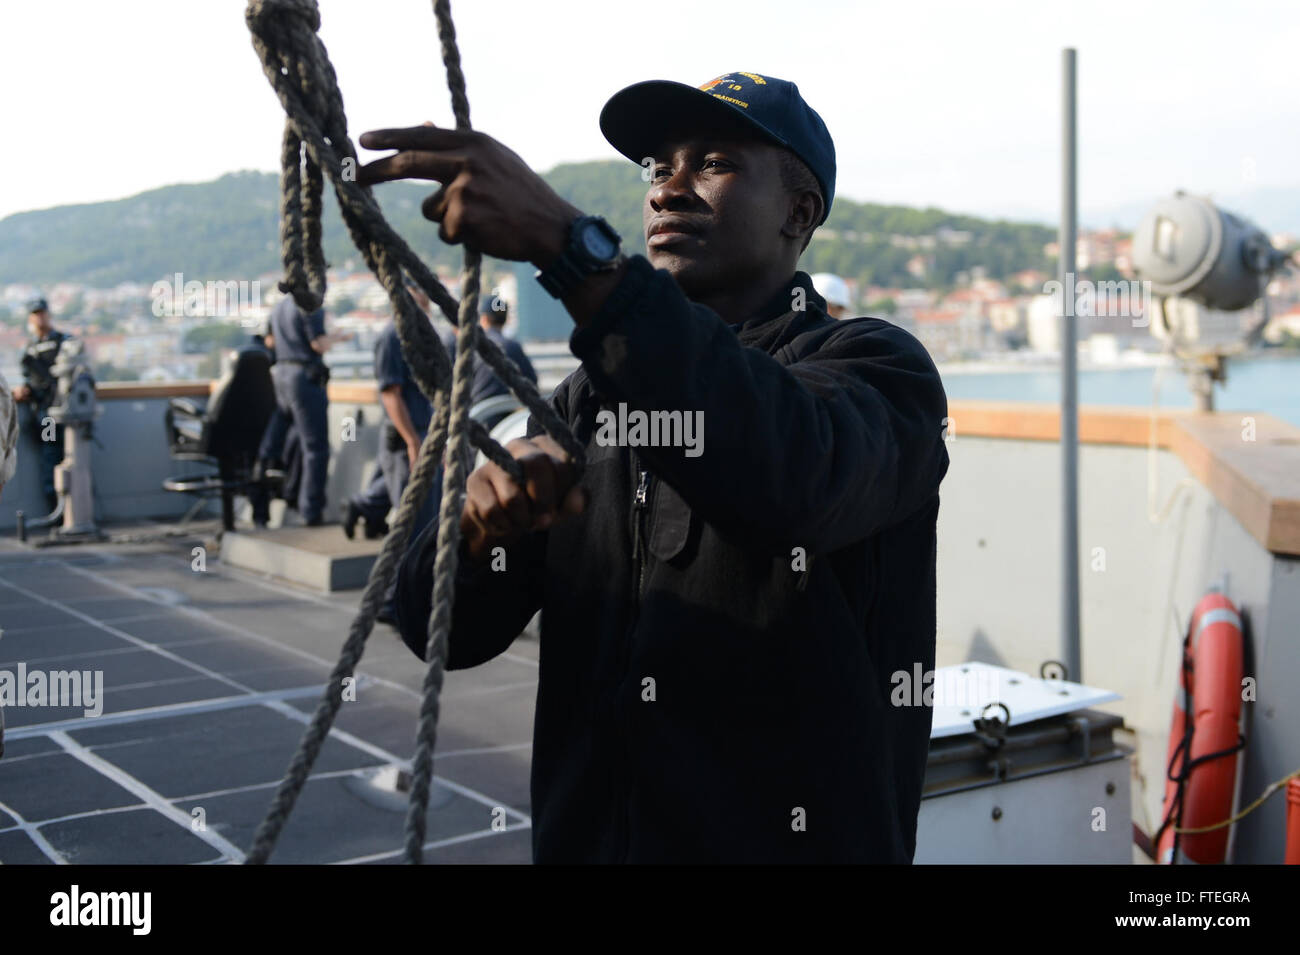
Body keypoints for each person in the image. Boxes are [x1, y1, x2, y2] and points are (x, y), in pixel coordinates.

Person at [367, 71, 949, 863]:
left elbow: (790, 472)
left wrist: (571, 247)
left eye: (711, 162)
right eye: (656, 167)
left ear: (799, 211)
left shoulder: (882, 371)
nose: (669, 189)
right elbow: (442, 632)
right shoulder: (584, 403)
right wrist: (476, 531)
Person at [256, 295, 348, 525]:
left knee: (271, 447)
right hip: (304, 379)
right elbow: (318, 344)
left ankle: (259, 507)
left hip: (281, 376)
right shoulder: (310, 304)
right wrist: (339, 338)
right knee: (316, 449)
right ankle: (311, 511)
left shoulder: (279, 307)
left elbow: (269, 341)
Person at [13, 297, 70, 512]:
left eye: (42, 313)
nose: (40, 318)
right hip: (46, 416)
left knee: (71, 457)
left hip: (66, 412)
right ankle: (56, 511)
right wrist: (24, 390)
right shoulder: (29, 350)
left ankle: (72, 511)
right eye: (35, 314)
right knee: (51, 457)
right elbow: (29, 379)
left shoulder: (64, 342)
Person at [469, 295, 537, 406]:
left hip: (477, 413)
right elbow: (532, 381)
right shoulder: (513, 347)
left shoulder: (473, 346)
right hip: (505, 415)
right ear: (505, 319)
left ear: (484, 318)